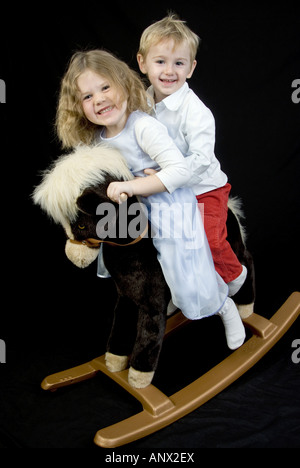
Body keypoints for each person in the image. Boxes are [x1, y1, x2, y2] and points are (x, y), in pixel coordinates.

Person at [55, 49, 245, 350]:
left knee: (183, 272)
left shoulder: (142, 126)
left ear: (122, 83)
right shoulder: (95, 138)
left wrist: (134, 185)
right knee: (130, 261)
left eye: (105, 88)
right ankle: (159, 297)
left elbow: (180, 170)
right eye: (87, 97)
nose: (100, 99)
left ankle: (222, 305)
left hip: (168, 208)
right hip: (135, 213)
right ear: (78, 107)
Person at [137, 14, 247, 298]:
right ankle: (184, 288)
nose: (169, 71)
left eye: (179, 63)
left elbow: (200, 160)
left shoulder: (195, 111)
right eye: (160, 61)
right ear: (142, 63)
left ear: (191, 68)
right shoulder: (142, 103)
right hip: (164, 189)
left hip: (203, 187)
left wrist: (164, 177)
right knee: (164, 243)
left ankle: (235, 276)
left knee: (208, 239)